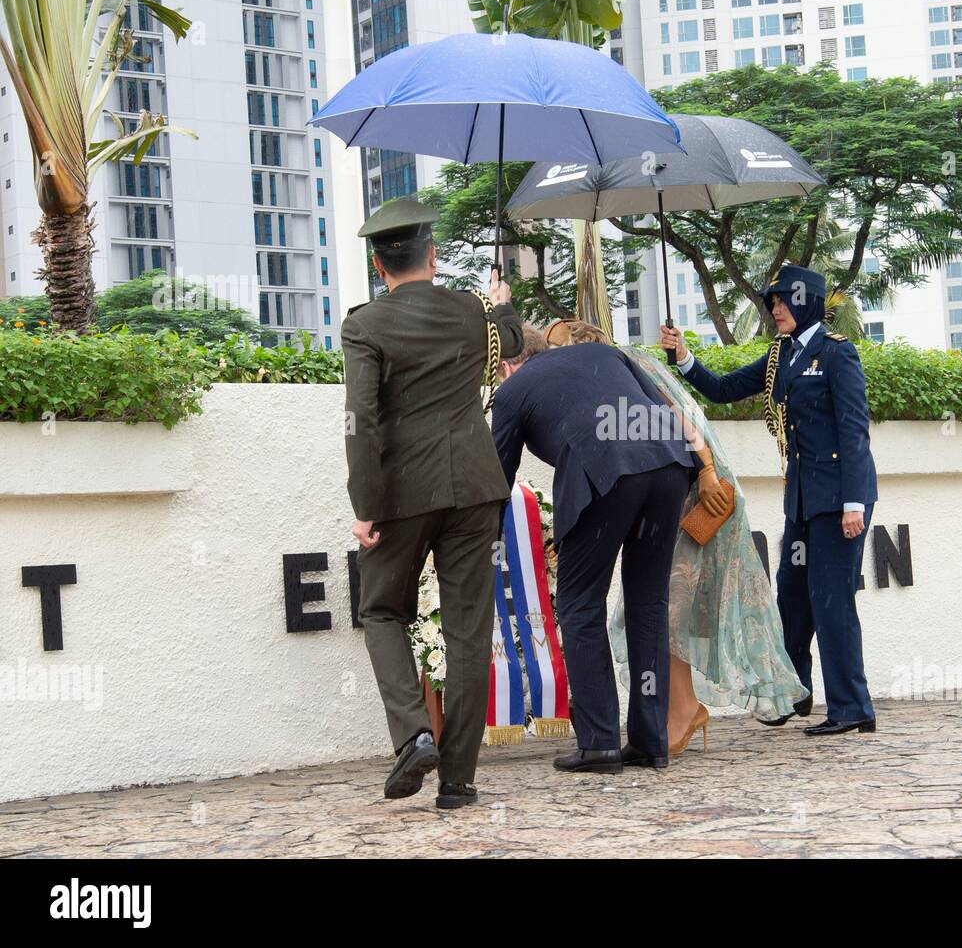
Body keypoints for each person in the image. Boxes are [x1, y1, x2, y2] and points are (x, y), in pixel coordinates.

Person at [544, 319, 808, 754]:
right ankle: (679, 709)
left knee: (662, 604)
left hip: (695, 494)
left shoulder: (626, 365)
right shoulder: (615, 369)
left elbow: (681, 417)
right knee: (657, 605)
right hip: (678, 488)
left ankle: (682, 710)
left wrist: (704, 470)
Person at [343, 199, 524, 808]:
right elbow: (516, 337)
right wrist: (501, 304)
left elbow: (362, 421)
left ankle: (415, 733)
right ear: (433, 256)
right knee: (468, 632)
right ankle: (459, 781)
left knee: (381, 610)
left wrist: (365, 503)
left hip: (402, 493)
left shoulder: (364, 324)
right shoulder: (473, 312)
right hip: (476, 487)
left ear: (378, 263)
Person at [660, 264, 880, 736]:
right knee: (793, 600)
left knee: (831, 602)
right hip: (801, 499)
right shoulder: (783, 355)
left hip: (840, 498)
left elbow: (855, 431)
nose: (775, 309)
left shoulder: (836, 355)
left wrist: (855, 505)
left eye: (782, 301)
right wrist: (683, 359)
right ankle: (793, 693)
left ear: (805, 302)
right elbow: (723, 389)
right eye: (772, 302)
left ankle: (852, 706)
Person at [490, 328, 709, 773]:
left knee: (579, 606)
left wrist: (485, 542)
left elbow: (497, 479)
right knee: (648, 604)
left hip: (608, 473)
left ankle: (599, 743)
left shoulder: (512, 390)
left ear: (508, 364)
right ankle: (651, 741)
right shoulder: (604, 353)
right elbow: (668, 407)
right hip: (670, 466)